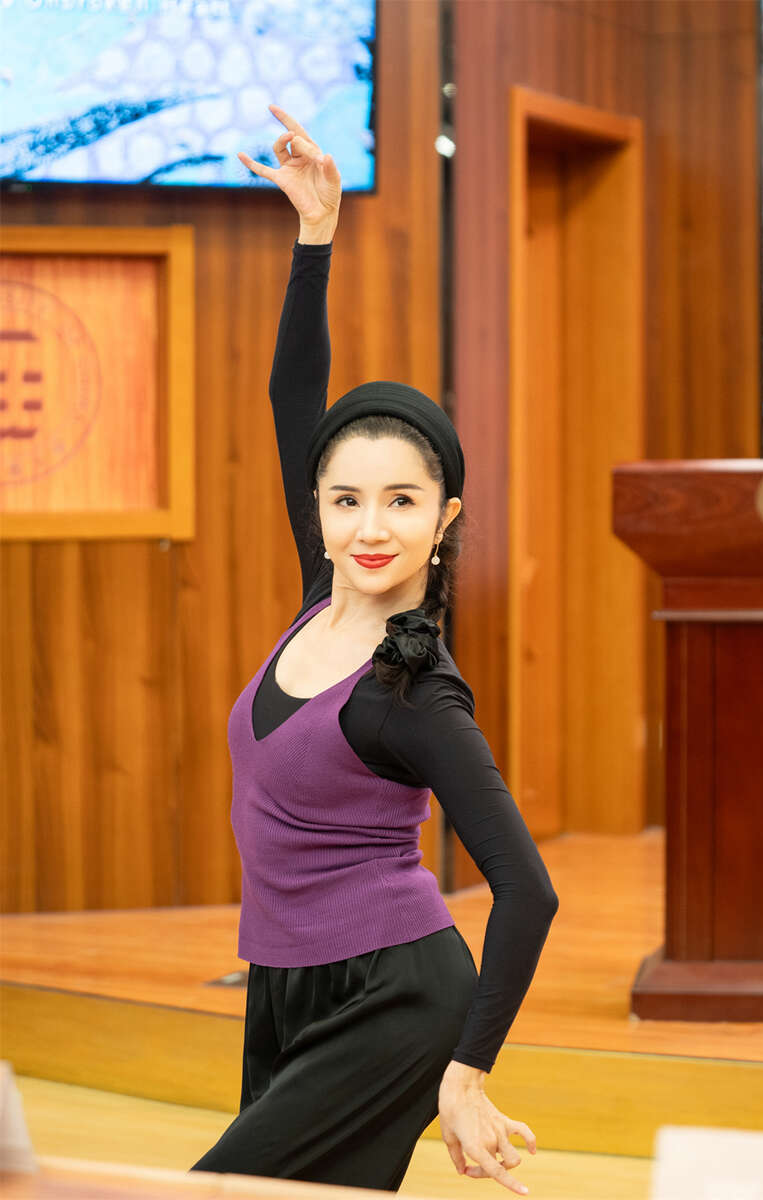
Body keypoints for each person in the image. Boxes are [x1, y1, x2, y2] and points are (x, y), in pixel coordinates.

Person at [189, 105, 559, 1195]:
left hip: (393, 995)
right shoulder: (322, 592)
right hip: (283, 981)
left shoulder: (412, 692)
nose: (369, 525)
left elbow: (526, 890)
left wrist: (465, 1069)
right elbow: (291, 397)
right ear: (318, 506)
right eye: (346, 498)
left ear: (444, 520)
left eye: (402, 500)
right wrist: (315, 237)